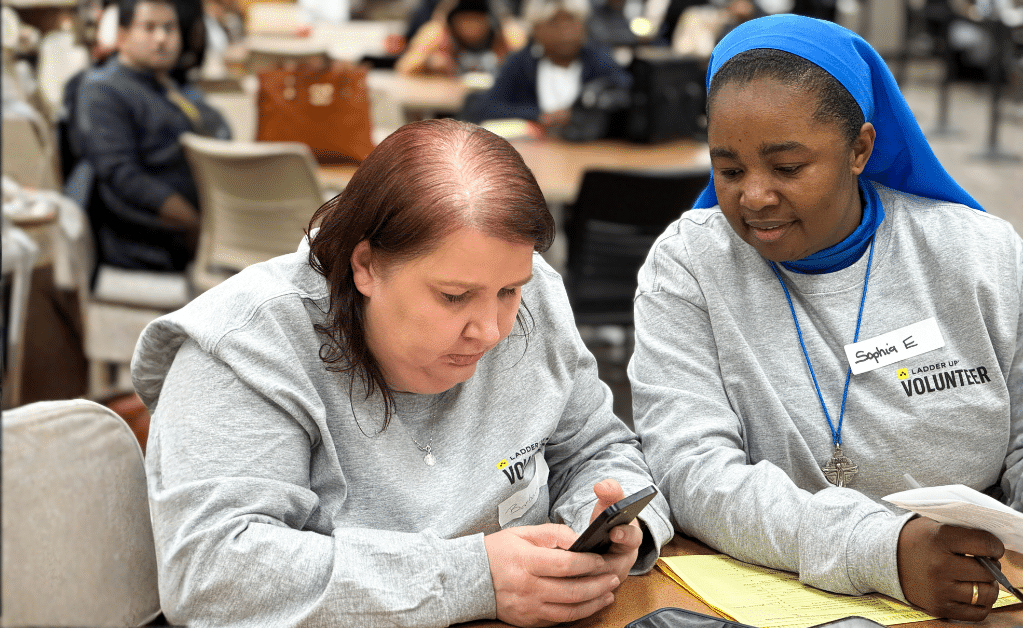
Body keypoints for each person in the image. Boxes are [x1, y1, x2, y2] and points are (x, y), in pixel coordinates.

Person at [628, 14, 1023, 623]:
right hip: (773, 599)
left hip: (981, 596)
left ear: (860, 149)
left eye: (787, 168)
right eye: (728, 170)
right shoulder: (691, 266)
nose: (753, 196)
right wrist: (885, 551)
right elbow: (693, 471)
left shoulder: (979, 255)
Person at [132, 117, 673, 627]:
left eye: (509, 291)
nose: (490, 329)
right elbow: (212, 573)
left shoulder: (533, 295)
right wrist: (473, 578)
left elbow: (598, 448)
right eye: (454, 296)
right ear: (365, 266)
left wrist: (603, 528)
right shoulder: (243, 347)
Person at [74, 0, 230, 272]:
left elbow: (216, 128)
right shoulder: (103, 89)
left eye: (169, 28)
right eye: (149, 27)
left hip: (215, 220)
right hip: (155, 239)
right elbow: (123, 177)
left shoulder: (166, 82)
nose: (161, 38)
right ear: (122, 36)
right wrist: (198, 225)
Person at [464, 0, 630, 132]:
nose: (566, 31)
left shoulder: (597, 59)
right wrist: (539, 116)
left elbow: (625, 93)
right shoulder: (521, 63)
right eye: (554, 23)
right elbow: (488, 107)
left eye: (572, 21)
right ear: (536, 30)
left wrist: (580, 114)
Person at [397, 0, 522, 77]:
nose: (470, 28)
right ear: (453, 21)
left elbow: (528, 68)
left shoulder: (505, 35)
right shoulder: (438, 33)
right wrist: (429, 62)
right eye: (464, 21)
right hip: (445, 105)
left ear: (488, 21)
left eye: (476, 21)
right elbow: (403, 67)